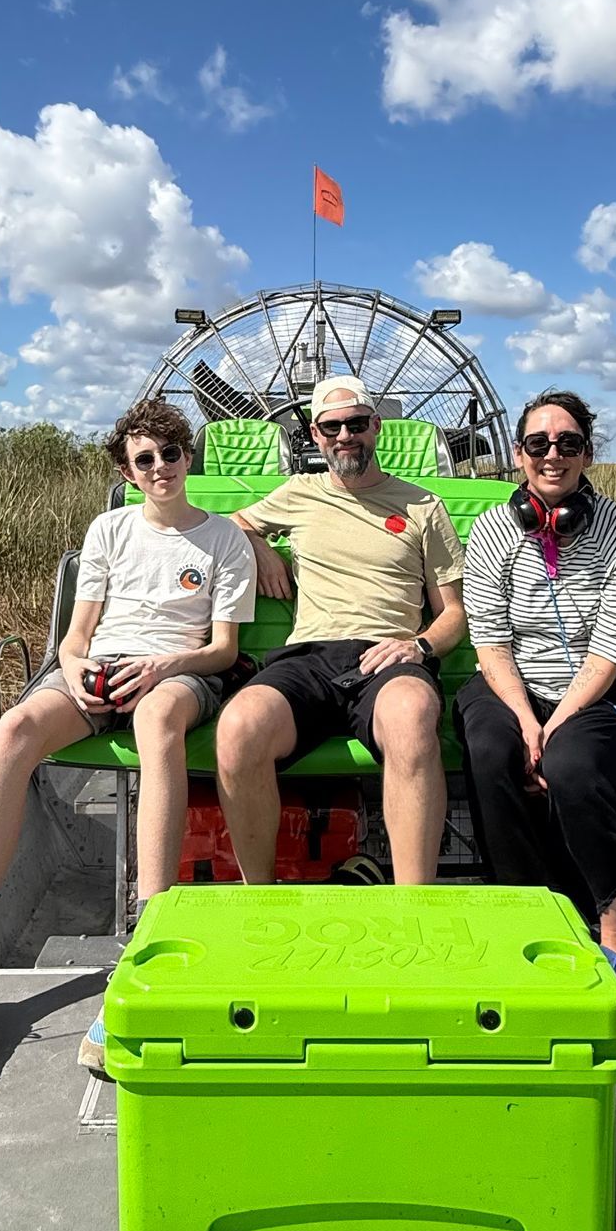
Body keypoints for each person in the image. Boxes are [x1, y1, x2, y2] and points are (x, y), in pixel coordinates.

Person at [0, 398, 255, 1090]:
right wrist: (73, 671)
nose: (161, 468)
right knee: (14, 730)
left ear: (189, 457)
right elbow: (76, 636)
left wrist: (162, 666)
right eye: (145, 460)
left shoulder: (224, 540)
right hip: (96, 671)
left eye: (171, 454)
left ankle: (142, 956)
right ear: (130, 473)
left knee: (159, 721)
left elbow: (222, 651)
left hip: (179, 676)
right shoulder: (109, 530)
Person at [216, 377, 467, 885]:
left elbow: (453, 613)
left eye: (356, 424)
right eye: (332, 427)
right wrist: (262, 547)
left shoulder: (423, 507)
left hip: (387, 658)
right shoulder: (298, 493)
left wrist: (418, 646)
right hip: (308, 659)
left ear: (376, 427)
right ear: (315, 433)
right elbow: (232, 521)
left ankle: (414, 903)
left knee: (413, 714)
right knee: (240, 726)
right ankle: (260, 897)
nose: (345, 435)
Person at [455, 390, 616, 1004]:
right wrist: (524, 720)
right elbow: (490, 642)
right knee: (491, 750)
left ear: (586, 455)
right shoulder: (494, 530)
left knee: (573, 763)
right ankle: (527, 910)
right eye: (539, 444)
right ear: (518, 456)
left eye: (567, 443)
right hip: (511, 683)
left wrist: (555, 725)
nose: (553, 454)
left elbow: (610, 649)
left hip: (594, 688)